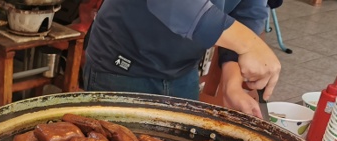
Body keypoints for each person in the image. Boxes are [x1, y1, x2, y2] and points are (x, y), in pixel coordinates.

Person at [83, 0, 281, 118]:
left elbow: (248, 10)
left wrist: (232, 83)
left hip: (183, 69)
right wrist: (250, 44)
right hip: (124, 65)